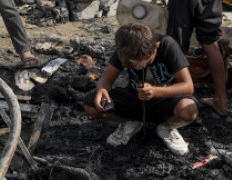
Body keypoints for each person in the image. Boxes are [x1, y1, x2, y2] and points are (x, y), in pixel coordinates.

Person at [84, 22, 198, 156]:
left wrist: (156, 91)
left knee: (189, 110)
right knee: (91, 105)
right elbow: (107, 79)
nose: (139, 68)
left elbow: (188, 86)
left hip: (165, 100)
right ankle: (131, 122)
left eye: (143, 63)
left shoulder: (167, 46)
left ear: (155, 47)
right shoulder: (126, 47)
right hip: (135, 98)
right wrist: (102, 89)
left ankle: (167, 127)